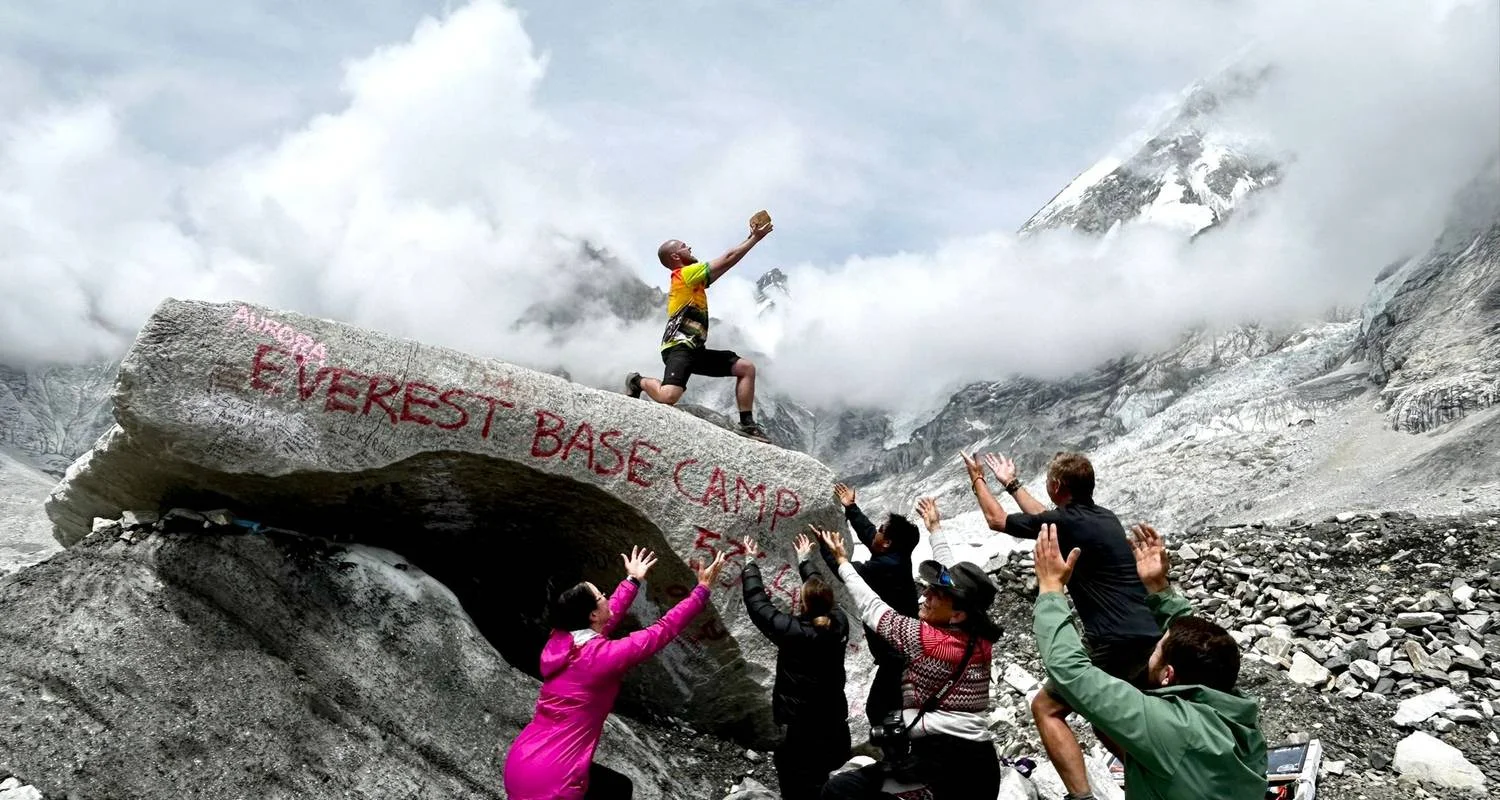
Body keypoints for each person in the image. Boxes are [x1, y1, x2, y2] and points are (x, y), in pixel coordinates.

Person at [963, 450, 1160, 800]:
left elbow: (996, 520)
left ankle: (1082, 797)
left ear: (1056, 485)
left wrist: (977, 477)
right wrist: (1011, 484)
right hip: (1148, 634)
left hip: (1111, 641)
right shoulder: (1105, 518)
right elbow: (1048, 520)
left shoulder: (1067, 523)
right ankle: (1157, 780)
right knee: (1105, 720)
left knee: (1046, 708)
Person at [1033, 522, 1268, 799]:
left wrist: (1051, 589)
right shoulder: (1236, 713)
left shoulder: (1170, 728)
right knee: (1105, 725)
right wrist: (1158, 587)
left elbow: (1071, 671)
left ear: (1168, 675)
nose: (1152, 653)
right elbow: (1193, 639)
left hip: (1176, 752)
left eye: (1156, 651)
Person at [504, 547, 730, 799]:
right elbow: (662, 630)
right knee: (616, 790)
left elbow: (604, 622)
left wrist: (632, 580)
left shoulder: (561, 641)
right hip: (554, 779)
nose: (606, 597)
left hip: (522, 762)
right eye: (601, 596)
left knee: (618, 787)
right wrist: (701, 591)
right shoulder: (600, 658)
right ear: (592, 614)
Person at [815, 503, 1003, 800]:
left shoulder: (928, 641)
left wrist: (842, 562)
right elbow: (954, 577)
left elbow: (873, 608)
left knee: (841, 789)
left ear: (957, 615)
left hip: (949, 770)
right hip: (977, 765)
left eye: (936, 594)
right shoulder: (978, 635)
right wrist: (935, 529)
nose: (925, 594)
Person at [625, 216, 774, 442]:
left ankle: (747, 424)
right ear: (676, 256)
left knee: (746, 368)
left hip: (695, 349)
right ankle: (637, 381)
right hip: (678, 347)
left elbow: (728, 263)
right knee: (668, 396)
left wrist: (750, 237)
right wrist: (755, 239)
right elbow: (728, 258)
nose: (690, 248)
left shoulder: (694, 279)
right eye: (684, 246)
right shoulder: (685, 274)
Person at [741, 533, 852, 800]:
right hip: (834, 719)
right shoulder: (840, 623)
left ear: (803, 603)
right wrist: (805, 562)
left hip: (802, 724)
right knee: (830, 776)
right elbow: (820, 592)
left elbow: (758, 605)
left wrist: (749, 564)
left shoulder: (793, 631)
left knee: (796, 776)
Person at [819, 482, 920, 732]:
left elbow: (848, 573)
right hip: (903, 651)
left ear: (887, 543)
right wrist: (851, 508)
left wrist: (826, 546)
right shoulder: (896, 554)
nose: (876, 531)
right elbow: (870, 534)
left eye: (881, 531)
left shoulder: (886, 567)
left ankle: (898, 749)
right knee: (891, 708)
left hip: (896, 657)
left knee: (879, 710)